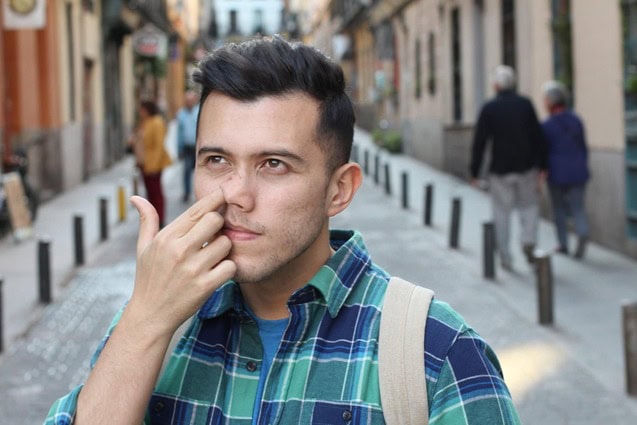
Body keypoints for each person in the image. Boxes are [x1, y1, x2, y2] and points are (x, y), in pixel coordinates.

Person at [45, 37, 520, 424]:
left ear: (339, 190)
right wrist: (144, 322)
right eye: (217, 160)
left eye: (274, 164)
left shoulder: (437, 355)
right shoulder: (157, 327)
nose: (236, 194)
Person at [470, 65, 548, 271]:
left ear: (496, 85)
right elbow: (537, 135)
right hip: (527, 167)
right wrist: (542, 164)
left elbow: (480, 141)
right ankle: (528, 241)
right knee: (529, 207)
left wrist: (475, 171)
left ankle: (505, 256)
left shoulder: (489, 108)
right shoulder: (525, 104)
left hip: (500, 170)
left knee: (501, 213)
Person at [541, 81, 590, 259]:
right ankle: (582, 231)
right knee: (578, 207)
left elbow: (543, 151)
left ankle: (563, 244)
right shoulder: (576, 120)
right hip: (578, 170)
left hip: (557, 172)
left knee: (559, 209)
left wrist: (543, 170)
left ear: (551, 102)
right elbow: (583, 146)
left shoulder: (547, 125)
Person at [134, 100, 172, 227]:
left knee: (156, 192)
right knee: (149, 192)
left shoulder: (157, 122)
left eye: (142, 110)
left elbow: (158, 145)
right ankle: (152, 218)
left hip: (153, 164)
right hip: (144, 163)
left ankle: (160, 219)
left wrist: (154, 166)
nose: (140, 113)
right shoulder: (145, 122)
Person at [177, 90, 200, 203]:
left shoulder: (199, 111)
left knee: (200, 171)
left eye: (191, 100)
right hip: (187, 147)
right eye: (187, 100)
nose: (189, 102)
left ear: (195, 100)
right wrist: (179, 148)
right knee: (186, 170)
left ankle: (199, 193)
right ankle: (186, 192)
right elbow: (179, 133)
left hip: (198, 147)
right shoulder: (181, 114)